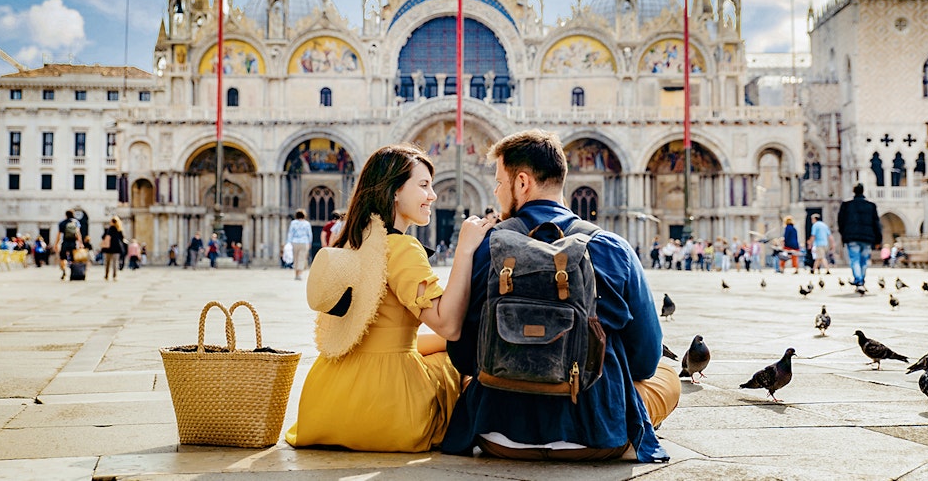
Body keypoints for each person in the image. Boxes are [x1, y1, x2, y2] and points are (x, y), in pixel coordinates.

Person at [442, 129, 676, 462]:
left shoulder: (484, 248)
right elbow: (645, 359)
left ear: (522, 183)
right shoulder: (614, 248)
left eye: (498, 183)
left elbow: (464, 357)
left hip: (499, 435)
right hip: (597, 438)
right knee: (667, 376)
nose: (495, 193)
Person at [286, 144, 494, 452]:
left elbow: (383, 334)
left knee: (440, 347)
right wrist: (464, 249)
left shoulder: (354, 243)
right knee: (453, 361)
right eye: (423, 185)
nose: (433, 195)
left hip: (325, 405)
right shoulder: (401, 248)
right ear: (394, 191)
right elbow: (448, 326)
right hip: (388, 410)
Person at [838, 182, 882, 287]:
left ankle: (858, 279)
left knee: (854, 259)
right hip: (867, 238)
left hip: (851, 237)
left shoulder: (846, 204)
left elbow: (841, 222)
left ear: (854, 191)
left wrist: (844, 235)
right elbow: (876, 223)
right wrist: (878, 240)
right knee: (864, 260)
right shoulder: (871, 205)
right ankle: (862, 278)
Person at [53, 210, 81, 280]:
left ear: (66, 215)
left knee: (63, 258)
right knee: (73, 258)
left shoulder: (62, 223)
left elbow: (59, 235)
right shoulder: (76, 222)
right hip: (73, 242)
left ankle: (64, 271)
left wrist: (56, 244)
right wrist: (81, 243)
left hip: (65, 242)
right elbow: (78, 233)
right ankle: (72, 272)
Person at [287, 209, 313, 281]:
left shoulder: (293, 223)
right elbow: (309, 234)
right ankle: (300, 274)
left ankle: (296, 274)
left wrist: (289, 242)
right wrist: (310, 242)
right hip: (304, 242)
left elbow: (290, 233)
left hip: (294, 242)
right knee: (302, 258)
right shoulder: (307, 223)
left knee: (295, 258)